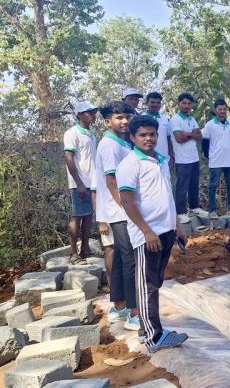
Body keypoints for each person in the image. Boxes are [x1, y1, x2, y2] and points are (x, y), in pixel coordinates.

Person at [116, 115, 189, 353]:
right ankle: (152, 337)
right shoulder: (130, 164)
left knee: (155, 282)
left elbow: (167, 196)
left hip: (165, 231)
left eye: (152, 134)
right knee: (146, 284)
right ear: (132, 137)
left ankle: (151, 330)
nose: (148, 138)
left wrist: (177, 225)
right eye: (142, 135)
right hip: (148, 235)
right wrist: (147, 231)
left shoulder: (160, 160)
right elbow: (127, 201)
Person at [94, 102, 139, 331]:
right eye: (119, 117)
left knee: (121, 258)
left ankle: (119, 306)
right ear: (107, 122)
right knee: (131, 259)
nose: (124, 121)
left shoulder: (122, 142)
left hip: (120, 210)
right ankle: (134, 312)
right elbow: (111, 181)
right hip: (119, 211)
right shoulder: (110, 145)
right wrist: (126, 207)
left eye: (127, 117)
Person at [64, 101, 98, 264]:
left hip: (92, 181)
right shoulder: (72, 133)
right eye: (88, 112)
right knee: (77, 216)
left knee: (89, 216)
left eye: (93, 112)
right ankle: (73, 253)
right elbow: (69, 158)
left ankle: (85, 249)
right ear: (79, 114)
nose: (92, 115)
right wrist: (79, 183)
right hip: (80, 182)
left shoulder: (91, 134)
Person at [170, 93, 202, 216]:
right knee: (182, 186)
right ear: (178, 104)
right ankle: (181, 212)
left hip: (194, 157)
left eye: (189, 103)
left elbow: (199, 136)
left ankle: (194, 207)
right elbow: (178, 138)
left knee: (194, 184)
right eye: (184, 103)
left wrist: (186, 134)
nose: (186, 106)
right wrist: (192, 134)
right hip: (182, 159)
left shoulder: (192, 119)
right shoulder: (175, 120)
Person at [203, 99, 230, 216]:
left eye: (224, 109)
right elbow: (205, 144)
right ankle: (212, 210)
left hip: (229, 160)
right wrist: (209, 157)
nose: (222, 111)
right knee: (213, 186)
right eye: (220, 109)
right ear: (215, 110)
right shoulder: (210, 125)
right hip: (215, 161)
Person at [143, 92, 174, 168]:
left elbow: (168, 139)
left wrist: (171, 157)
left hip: (164, 159)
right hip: (147, 159)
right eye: (152, 102)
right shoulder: (141, 118)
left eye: (158, 103)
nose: (155, 105)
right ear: (147, 103)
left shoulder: (164, 119)